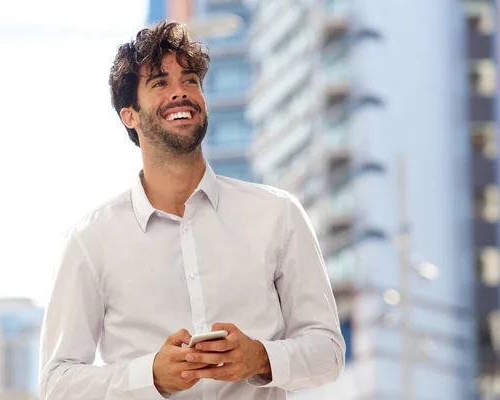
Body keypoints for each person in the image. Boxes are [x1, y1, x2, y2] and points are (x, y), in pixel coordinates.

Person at [38, 20, 345, 400]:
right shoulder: (90, 240)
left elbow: (328, 352)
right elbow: (57, 384)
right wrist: (149, 377)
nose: (180, 93)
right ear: (129, 116)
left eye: (190, 81)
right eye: (160, 83)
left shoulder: (277, 215)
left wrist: (261, 358)